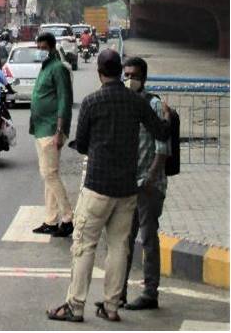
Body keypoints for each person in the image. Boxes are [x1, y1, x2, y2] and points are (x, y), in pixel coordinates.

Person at [47, 49, 169, 323]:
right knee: (119, 247)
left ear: (100, 72)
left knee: (84, 245)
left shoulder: (92, 101)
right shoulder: (136, 102)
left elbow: (82, 142)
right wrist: (167, 117)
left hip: (97, 186)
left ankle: (76, 305)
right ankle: (112, 306)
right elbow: (161, 131)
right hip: (126, 189)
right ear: (119, 72)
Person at [116, 56, 172, 311]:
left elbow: (163, 148)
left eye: (134, 75)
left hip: (149, 186)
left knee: (148, 238)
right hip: (128, 184)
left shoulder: (155, 105)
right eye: (126, 75)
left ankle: (150, 293)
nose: (129, 80)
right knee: (125, 240)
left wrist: (149, 178)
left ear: (144, 78)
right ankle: (119, 292)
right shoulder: (124, 103)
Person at [30, 32, 74, 238]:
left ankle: (67, 218)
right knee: (46, 174)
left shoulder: (58, 69)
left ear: (52, 48)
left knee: (50, 174)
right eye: (38, 48)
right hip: (40, 128)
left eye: (43, 48)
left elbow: (64, 101)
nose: (40, 52)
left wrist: (59, 131)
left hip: (51, 130)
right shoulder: (45, 67)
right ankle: (51, 219)